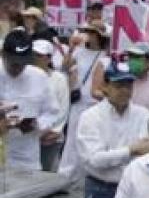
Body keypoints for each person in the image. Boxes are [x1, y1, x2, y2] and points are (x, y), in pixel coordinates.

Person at [77, 61, 149, 198]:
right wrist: (130, 150)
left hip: (132, 189)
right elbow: (94, 159)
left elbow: (146, 152)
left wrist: (114, 154)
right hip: (99, 189)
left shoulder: (142, 114)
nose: (125, 90)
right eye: (119, 85)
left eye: (129, 85)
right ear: (106, 87)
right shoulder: (90, 117)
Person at [0, 30, 60, 170]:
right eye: (14, 63)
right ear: (3, 54)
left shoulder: (39, 77)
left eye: (22, 63)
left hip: (26, 157)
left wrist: (36, 124)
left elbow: (52, 112)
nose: (18, 68)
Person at [59, 21, 111, 180]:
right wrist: (71, 48)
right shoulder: (79, 52)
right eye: (87, 31)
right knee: (72, 139)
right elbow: (65, 67)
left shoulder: (105, 56)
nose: (88, 34)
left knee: (90, 139)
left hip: (96, 103)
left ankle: (85, 175)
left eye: (92, 32)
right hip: (79, 102)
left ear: (99, 36)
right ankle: (66, 176)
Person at [32, 39, 70, 172]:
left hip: (52, 136)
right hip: (30, 135)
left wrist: (55, 130)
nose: (35, 59)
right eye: (33, 55)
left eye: (39, 55)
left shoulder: (59, 79)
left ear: (49, 58)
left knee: (47, 173)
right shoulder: (26, 77)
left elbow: (63, 107)